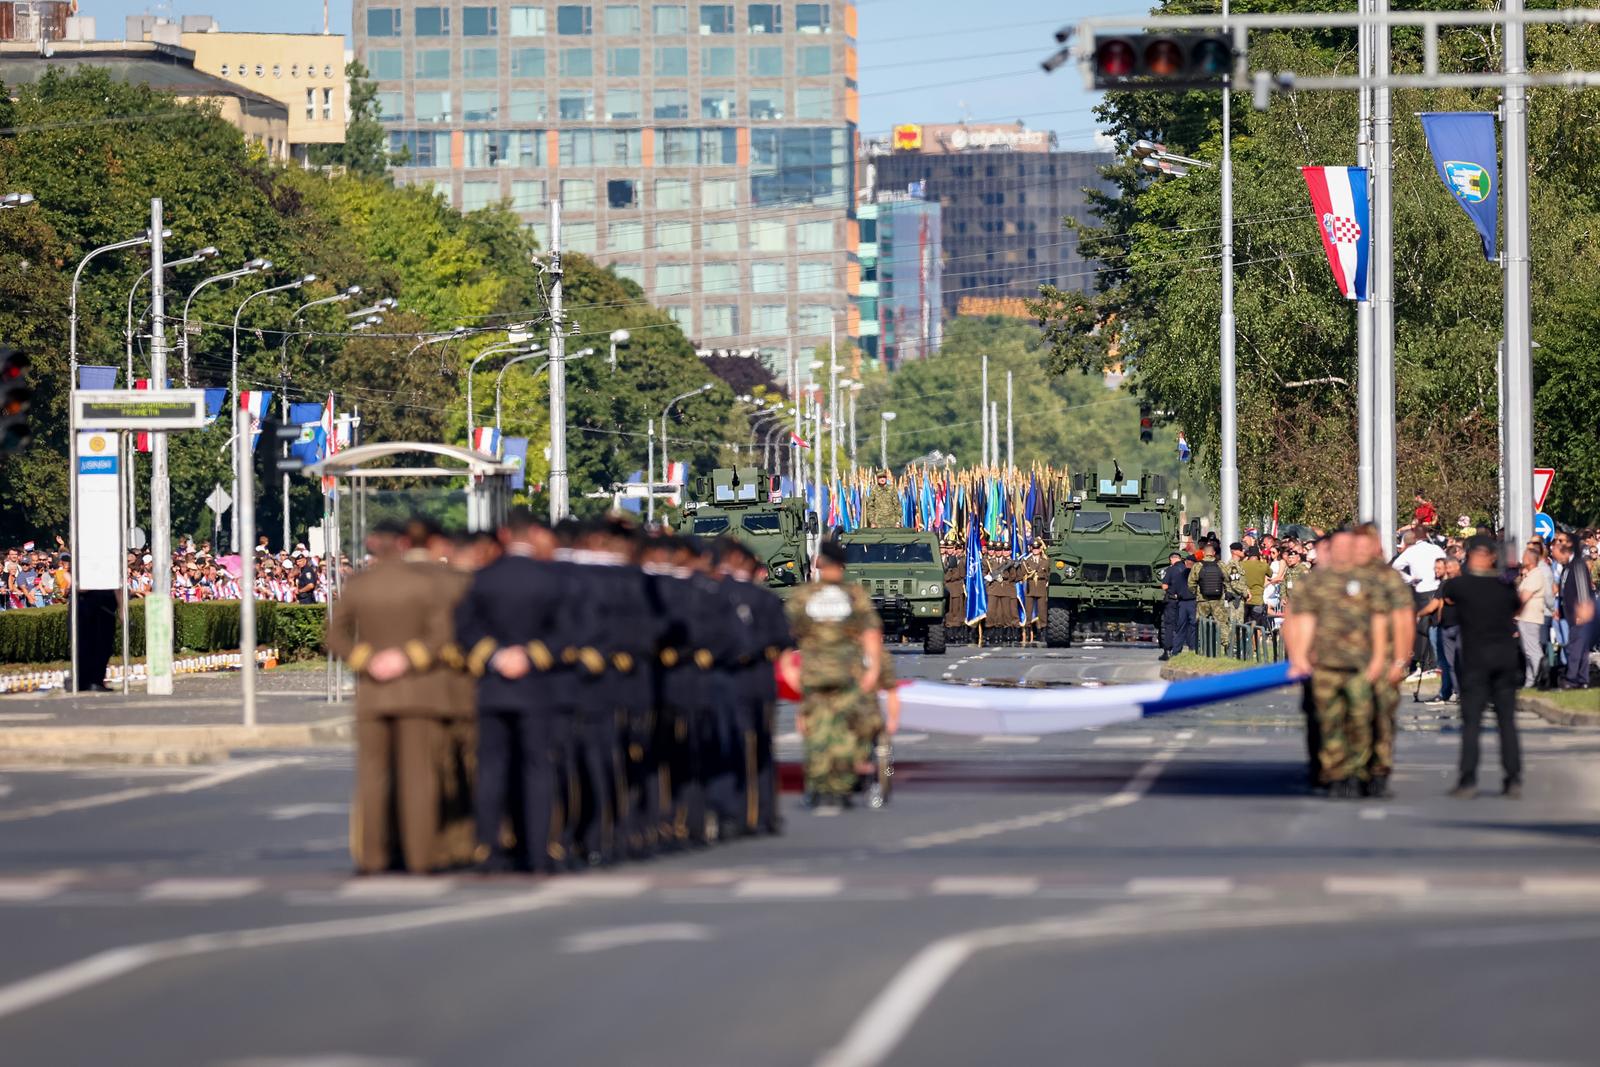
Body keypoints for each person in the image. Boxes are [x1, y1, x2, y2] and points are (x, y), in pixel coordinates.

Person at [327, 518, 469, 874]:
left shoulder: (360, 583)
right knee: (417, 777)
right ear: (404, 544)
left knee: (373, 777)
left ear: (373, 543)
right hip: (418, 690)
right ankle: (420, 857)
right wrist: (407, 658)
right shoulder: (424, 584)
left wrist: (368, 660)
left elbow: (334, 635)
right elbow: (442, 634)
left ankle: (373, 857)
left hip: (373, 691)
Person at [1284, 528, 1389, 798]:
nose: (1341, 553)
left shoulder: (1368, 580)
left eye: (1346, 548)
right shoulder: (1314, 583)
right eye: (1337, 548)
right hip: (1325, 666)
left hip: (1360, 665)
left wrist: (1379, 659)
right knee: (1329, 722)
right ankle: (1336, 774)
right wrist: (1299, 657)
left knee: (1359, 720)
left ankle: (1356, 772)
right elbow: (1301, 621)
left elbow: (1379, 621)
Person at [785, 538, 882, 811]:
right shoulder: (854, 595)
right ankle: (839, 786)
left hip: (813, 674)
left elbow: (787, 636)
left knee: (816, 731)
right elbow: (871, 633)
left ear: (818, 564)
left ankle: (818, 785)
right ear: (842, 566)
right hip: (847, 674)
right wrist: (873, 669)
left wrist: (788, 669)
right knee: (844, 732)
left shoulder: (804, 596)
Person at [1438, 536, 1524, 797]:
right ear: (1492, 558)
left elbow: (1448, 595)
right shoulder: (1504, 588)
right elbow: (1516, 605)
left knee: (1472, 723)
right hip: (1505, 659)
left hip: (1475, 661)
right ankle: (1513, 778)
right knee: (1506, 722)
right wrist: (1506, 574)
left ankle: (1468, 780)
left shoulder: (1461, 585)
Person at [1551, 531, 1595, 689]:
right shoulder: (1566, 567)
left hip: (1580, 615)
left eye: (1556, 554)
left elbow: (1583, 589)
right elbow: (1566, 591)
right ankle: (1582, 679)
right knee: (1580, 649)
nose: (1555, 558)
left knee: (1575, 647)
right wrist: (1560, 611)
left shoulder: (1577, 565)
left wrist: (1583, 610)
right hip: (1570, 615)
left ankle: (1571, 678)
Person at [1515, 545, 1554, 688]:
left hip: (1530, 618)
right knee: (1528, 651)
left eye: (1524, 557)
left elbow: (1523, 597)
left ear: (1530, 560)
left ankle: (1540, 678)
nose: (1522, 559)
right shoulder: (1529, 575)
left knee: (1533, 651)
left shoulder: (1536, 575)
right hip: (1524, 617)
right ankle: (1530, 681)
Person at [1020, 540, 1050, 647]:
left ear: (1040, 549)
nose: (1036, 550)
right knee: (1028, 610)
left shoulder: (1045, 561)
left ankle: (1042, 631)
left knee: (1042, 611)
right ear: (1031, 549)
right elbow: (1023, 573)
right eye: (1034, 548)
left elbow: (1048, 574)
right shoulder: (1026, 561)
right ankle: (1028, 631)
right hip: (1030, 588)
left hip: (1041, 588)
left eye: (1037, 548)